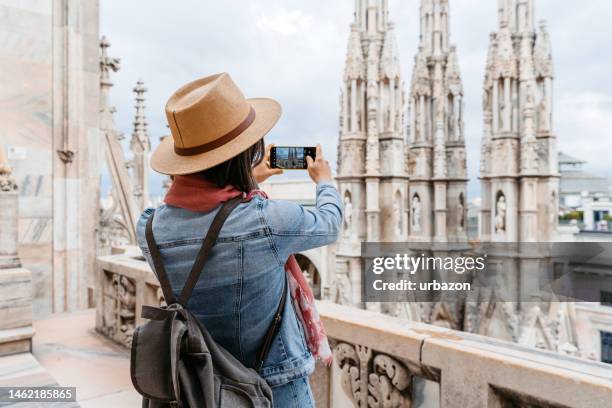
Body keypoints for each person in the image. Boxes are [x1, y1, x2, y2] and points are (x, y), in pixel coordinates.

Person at [136, 72, 342, 407]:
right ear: (246, 154)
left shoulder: (149, 228)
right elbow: (330, 223)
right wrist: (325, 181)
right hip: (275, 387)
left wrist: (242, 178)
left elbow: (190, 213)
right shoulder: (267, 220)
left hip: (198, 386)